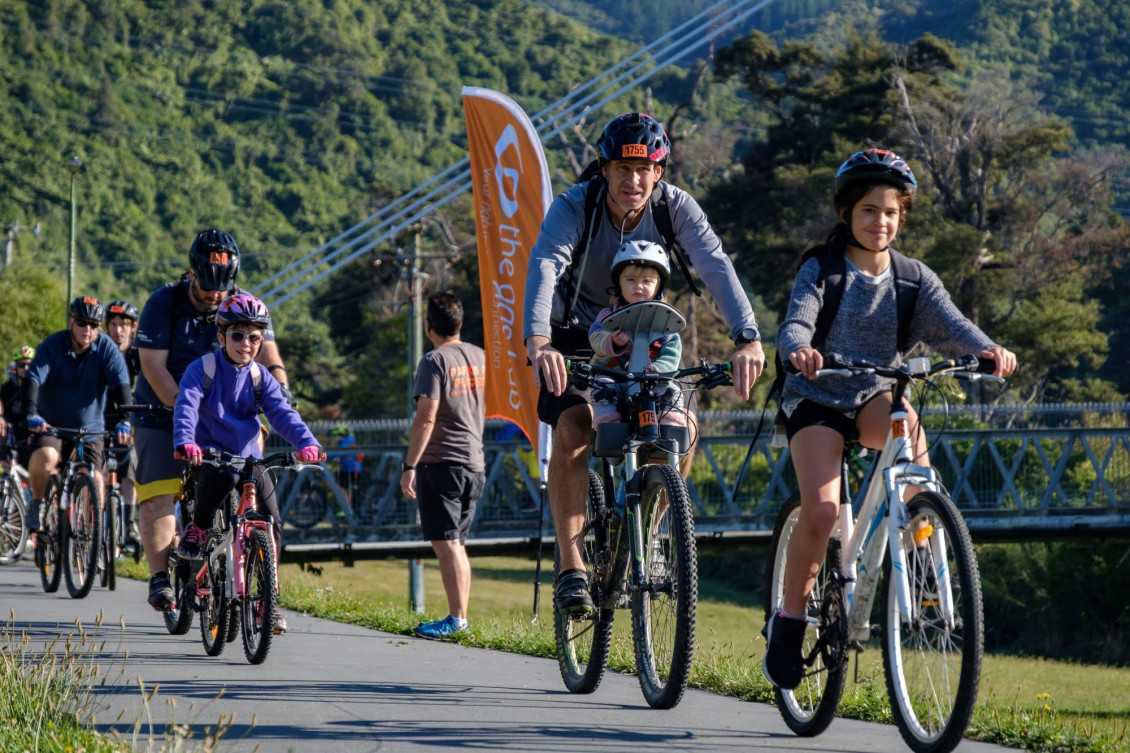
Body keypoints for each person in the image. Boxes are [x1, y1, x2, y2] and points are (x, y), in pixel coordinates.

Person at [762, 148, 1018, 689]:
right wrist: (800, 350)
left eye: (891, 212)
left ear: (903, 217)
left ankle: (925, 559)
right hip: (817, 396)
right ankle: (788, 619)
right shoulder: (823, 268)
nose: (881, 222)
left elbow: (953, 326)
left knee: (912, 445)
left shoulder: (912, 279)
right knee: (823, 509)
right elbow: (795, 325)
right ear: (847, 213)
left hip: (877, 390)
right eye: (869, 210)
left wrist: (990, 349)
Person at [523, 112, 766, 614]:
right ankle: (571, 567)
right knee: (573, 424)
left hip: (650, 330)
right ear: (604, 168)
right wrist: (540, 340)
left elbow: (714, 265)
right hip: (574, 330)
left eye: (644, 170)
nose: (632, 181)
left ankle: (649, 537)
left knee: (682, 429)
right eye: (621, 169)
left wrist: (747, 337)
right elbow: (546, 263)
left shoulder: (676, 208)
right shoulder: (575, 206)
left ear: (659, 172)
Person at [133, 228, 293, 611]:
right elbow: (153, 366)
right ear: (191, 273)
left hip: (231, 413)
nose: (213, 296)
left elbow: (270, 358)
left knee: (261, 493)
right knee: (159, 492)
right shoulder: (164, 303)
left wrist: (282, 388)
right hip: (165, 410)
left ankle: (265, 595)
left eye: (221, 290)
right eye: (206, 288)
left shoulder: (242, 305)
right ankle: (159, 578)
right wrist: (190, 413)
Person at [173, 292, 322, 634]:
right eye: (238, 335)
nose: (246, 343)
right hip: (210, 454)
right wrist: (186, 441)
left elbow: (283, 414)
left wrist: (307, 443)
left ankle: (266, 602)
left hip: (249, 455)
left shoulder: (259, 376)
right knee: (221, 476)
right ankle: (198, 525)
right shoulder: (204, 369)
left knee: (271, 520)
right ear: (221, 335)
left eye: (255, 336)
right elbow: (186, 405)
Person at [400, 293, 486, 639]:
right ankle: (460, 618)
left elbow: (427, 416)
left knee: (446, 543)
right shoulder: (479, 356)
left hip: (441, 462)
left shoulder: (433, 361)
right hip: (474, 462)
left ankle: (456, 619)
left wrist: (410, 465)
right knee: (457, 543)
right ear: (460, 323)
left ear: (428, 325)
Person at [23, 297, 132, 532]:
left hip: (91, 428)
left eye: (94, 324)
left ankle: (91, 534)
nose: (88, 330)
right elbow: (33, 379)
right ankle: (38, 503)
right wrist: (32, 413)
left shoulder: (106, 349)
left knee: (95, 478)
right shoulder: (52, 346)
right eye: (82, 323)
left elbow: (121, 385)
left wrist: (125, 420)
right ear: (71, 321)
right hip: (51, 425)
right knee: (46, 457)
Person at [589, 239, 686, 427]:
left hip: (652, 380)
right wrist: (612, 341)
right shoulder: (608, 316)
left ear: (658, 287)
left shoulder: (666, 320)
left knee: (674, 391)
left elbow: (672, 354)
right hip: (614, 378)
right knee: (601, 388)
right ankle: (608, 426)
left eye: (647, 281)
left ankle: (670, 426)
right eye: (630, 280)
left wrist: (658, 369)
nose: (638, 286)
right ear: (619, 284)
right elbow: (595, 338)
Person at [104, 299, 142, 542]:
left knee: (131, 466)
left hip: (131, 418)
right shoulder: (99, 351)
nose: (118, 330)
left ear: (133, 327)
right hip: (100, 416)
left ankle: (128, 524)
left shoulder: (140, 355)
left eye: (123, 325)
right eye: (113, 324)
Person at [0, 345, 35, 466]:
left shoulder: (42, 387)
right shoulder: (8, 388)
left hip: (37, 439)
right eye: (21, 365)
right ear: (16, 367)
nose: (25, 368)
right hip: (16, 439)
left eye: (29, 365)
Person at [328, 424, 364, 503]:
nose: (333, 439)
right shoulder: (348, 442)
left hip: (351, 470)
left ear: (340, 436)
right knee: (335, 480)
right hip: (350, 470)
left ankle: (347, 508)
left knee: (339, 486)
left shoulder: (345, 444)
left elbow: (334, 454)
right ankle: (348, 506)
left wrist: (322, 457)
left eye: (334, 436)